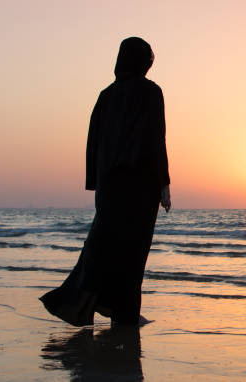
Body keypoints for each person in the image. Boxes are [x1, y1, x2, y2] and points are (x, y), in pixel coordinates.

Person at [40, 37, 171, 326]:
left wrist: (96, 183)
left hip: (110, 188)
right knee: (132, 254)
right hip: (140, 186)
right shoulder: (150, 92)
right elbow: (155, 139)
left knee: (104, 248)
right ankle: (122, 314)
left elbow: (93, 143)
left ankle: (93, 306)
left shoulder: (106, 95)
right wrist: (164, 184)